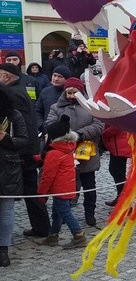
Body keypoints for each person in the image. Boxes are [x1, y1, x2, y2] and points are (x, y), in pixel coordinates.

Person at [46, 77, 104, 227]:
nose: (71, 96)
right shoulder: (56, 108)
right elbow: (51, 125)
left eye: (75, 92)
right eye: (69, 92)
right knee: (68, 186)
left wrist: (80, 134)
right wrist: (68, 136)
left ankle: (89, 213)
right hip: (65, 152)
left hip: (87, 151)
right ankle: (66, 214)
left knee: (89, 185)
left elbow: (98, 125)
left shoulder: (91, 106)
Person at [0, 63, 46, 238]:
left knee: (30, 190)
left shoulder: (12, 94)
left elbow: (21, 125)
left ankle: (41, 227)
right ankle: (41, 227)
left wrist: (15, 146)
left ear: (6, 77)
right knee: (30, 189)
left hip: (21, 151)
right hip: (24, 149)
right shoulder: (18, 90)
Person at [37, 116, 85, 249]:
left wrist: (42, 194)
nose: (45, 137)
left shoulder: (54, 153)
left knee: (65, 213)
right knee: (57, 212)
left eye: (46, 135)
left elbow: (47, 176)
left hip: (60, 189)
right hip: (68, 187)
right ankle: (53, 235)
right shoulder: (66, 148)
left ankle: (79, 235)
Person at [0, 85, 29, 267]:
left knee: (6, 211)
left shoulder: (14, 116)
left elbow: (25, 140)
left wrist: (6, 139)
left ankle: (3, 248)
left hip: (7, 168)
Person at [101, 125, 131, 206]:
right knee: (115, 171)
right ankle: (121, 198)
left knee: (118, 174)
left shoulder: (120, 113)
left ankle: (124, 203)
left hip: (120, 147)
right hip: (116, 146)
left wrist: (104, 133)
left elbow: (117, 126)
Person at [35, 65, 71, 131]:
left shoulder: (71, 93)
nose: (56, 79)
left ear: (66, 79)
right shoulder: (45, 92)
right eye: (54, 75)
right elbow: (38, 111)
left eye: (60, 77)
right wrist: (41, 125)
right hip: (47, 130)